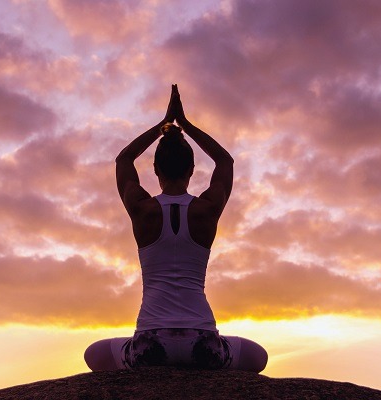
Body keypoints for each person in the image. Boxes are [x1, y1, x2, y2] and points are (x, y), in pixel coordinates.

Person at [84, 84, 268, 372]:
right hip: (203, 345)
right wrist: (186, 125)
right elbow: (225, 161)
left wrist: (162, 126)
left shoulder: (142, 209)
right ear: (192, 169)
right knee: (259, 356)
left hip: (151, 346)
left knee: (93, 353)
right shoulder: (206, 210)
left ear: (156, 169)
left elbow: (123, 160)